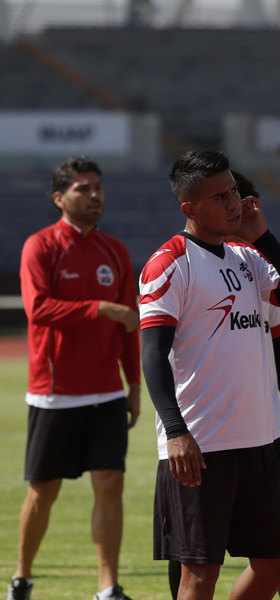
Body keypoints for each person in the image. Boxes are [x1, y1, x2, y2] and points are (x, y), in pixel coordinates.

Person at [139, 150, 280, 600]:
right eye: (220, 197)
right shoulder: (169, 264)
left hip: (258, 442)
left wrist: (266, 238)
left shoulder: (247, 257)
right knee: (199, 576)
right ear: (190, 209)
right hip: (201, 447)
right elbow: (153, 355)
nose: (235, 202)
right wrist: (176, 432)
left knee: (278, 562)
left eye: (235, 190)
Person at [10, 156, 140, 600]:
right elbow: (37, 309)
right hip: (54, 393)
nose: (94, 194)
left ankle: (107, 587)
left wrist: (134, 385)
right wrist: (99, 308)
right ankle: (22, 575)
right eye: (82, 188)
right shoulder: (41, 246)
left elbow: (130, 327)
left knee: (110, 483)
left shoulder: (115, 252)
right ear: (59, 198)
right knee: (43, 492)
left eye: (97, 186)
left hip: (105, 391)